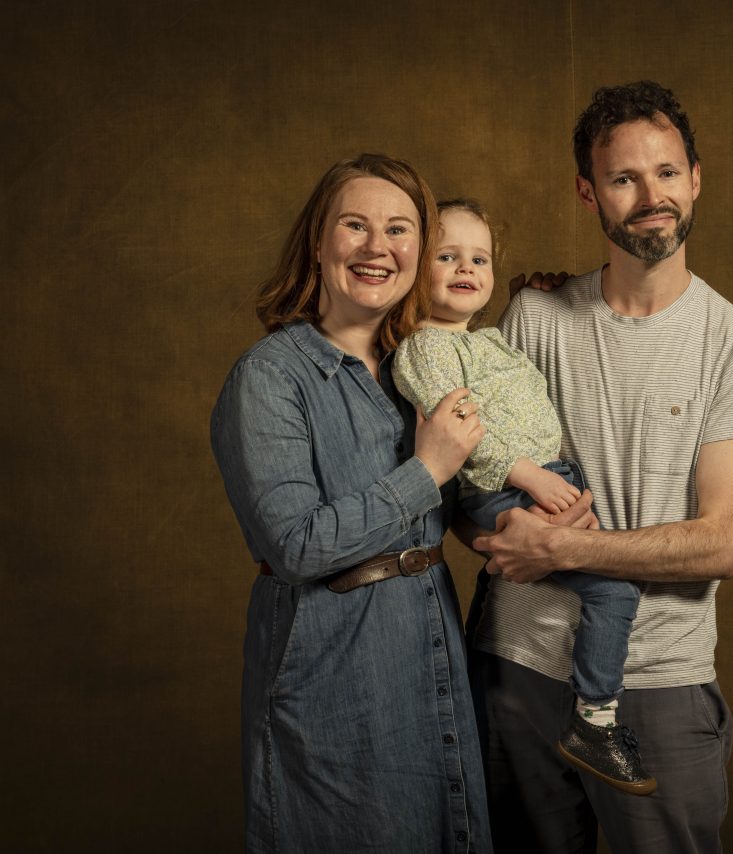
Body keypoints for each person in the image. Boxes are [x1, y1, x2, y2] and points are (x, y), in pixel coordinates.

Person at [468, 82, 733, 854]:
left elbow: (722, 543)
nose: (652, 197)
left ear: (696, 179)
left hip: (657, 687)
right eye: (624, 178)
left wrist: (563, 547)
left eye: (668, 172)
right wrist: (495, 530)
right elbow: (473, 473)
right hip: (516, 673)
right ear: (589, 193)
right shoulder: (535, 316)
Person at [210, 154, 512, 853]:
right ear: (318, 244)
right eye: (355, 225)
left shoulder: (419, 366)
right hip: (333, 663)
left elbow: (464, 483)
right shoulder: (270, 378)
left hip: (431, 643)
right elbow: (296, 545)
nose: (378, 247)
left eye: (399, 229)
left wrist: (540, 296)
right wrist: (426, 468)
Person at [392, 199, 655, 796]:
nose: (466, 268)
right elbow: (458, 432)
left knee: (610, 578)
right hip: (501, 485)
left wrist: (526, 297)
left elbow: (514, 394)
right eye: (447, 256)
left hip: (544, 474)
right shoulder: (426, 348)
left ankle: (593, 709)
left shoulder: (486, 341)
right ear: (414, 268)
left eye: (479, 259)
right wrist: (532, 477)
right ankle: (595, 718)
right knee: (614, 589)